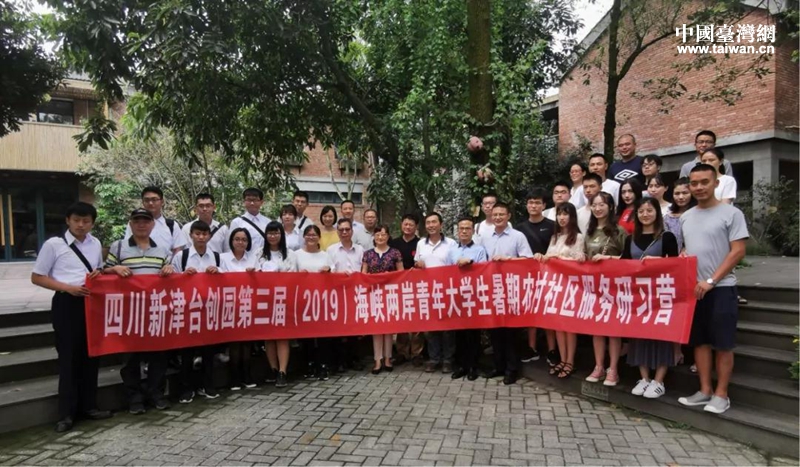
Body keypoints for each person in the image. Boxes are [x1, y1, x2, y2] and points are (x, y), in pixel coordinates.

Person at [31, 202, 112, 432]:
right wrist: (68, 288)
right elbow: (37, 277)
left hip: (91, 303)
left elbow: (97, 269)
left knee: (91, 356)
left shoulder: (95, 243)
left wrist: (98, 274)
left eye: (86, 221)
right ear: (68, 220)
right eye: (76, 220)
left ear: (92, 223)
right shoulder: (54, 245)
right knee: (68, 359)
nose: (81, 225)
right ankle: (66, 414)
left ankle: (90, 406)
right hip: (67, 303)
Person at [677, 164, 748, 414]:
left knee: (723, 343)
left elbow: (738, 251)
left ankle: (721, 394)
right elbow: (688, 248)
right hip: (695, 290)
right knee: (700, 342)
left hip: (721, 288)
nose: (699, 187)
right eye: (694, 183)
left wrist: (711, 280)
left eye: (704, 182)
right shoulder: (686, 217)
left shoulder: (732, 214)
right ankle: (705, 390)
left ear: (716, 183)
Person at [104, 208, 173, 416]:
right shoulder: (118, 247)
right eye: (137, 221)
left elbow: (170, 275)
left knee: (158, 355)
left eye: (145, 221)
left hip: (155, 312)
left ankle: (156, 394)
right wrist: (114, 269)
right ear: (131, 224)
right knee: (131, 358)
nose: (141, 225)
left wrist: (170, 270)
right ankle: (134, 398)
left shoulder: (162, 250)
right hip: (129, 313)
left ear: (152, 225)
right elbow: (103, 272)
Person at [622, 198, 679, 399]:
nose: (645, 214)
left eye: (649, 210)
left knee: (661, 336)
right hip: (638, 296)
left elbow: (676, 265)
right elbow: (623, 265)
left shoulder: (667, 237)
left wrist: (657, 261)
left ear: (657, 213)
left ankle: (659, 381)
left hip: (660, 295)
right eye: (641, 211)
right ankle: (644, 378)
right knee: (639, 336)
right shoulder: (630, 239)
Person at [482, 202, 534, 385]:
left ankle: (512, 369)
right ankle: (499, 366)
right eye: (495, 214)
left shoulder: (518, 236)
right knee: (495, 331)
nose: (497, 217)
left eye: (501, 214)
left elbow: (528, 260)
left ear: (508, 216)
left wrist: (509, 260)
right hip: (492, 289)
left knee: (511, 331)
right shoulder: (485, 237)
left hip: (511, 289)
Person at [171, 220, 222, 403]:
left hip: (209, 310)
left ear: (209, 236)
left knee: (208, 351)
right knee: (187, 352)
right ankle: (186, 388)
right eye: (197, 234)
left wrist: (217, 271)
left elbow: (226, 279)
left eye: (204, 234)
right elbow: (171, 280)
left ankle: (207, 385)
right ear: (191, 235)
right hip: (187, 310)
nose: (201, 237)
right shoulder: (181, 256)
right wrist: (183, 276)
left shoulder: (216, 257)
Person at [533, 202, 585, 379]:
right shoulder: (555, 237)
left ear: (572, 216)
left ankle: (570, 361)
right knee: (558, 326)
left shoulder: (578, 237)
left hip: (570, 287)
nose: (562, 218)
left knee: (569, 327)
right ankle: (562, 359)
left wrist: (559, 258)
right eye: (559, 214)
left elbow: (579, 262)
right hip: (554, 286)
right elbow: (547, 259)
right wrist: (541, 257)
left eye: (565, 214)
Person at [583, 192, 628, 387]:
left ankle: (613, 369)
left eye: (602, 204)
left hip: (614, 287)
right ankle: (599, 366)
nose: (598, 208)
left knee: (613, 329)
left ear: (610, 207)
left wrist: (609, 259)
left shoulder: (619, 231)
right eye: (594, 205)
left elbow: (629, 259)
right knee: (597, 329)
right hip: (593, 288)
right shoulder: (589, 231)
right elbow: (586, 255)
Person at [516, 189, 557, 365]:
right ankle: (531, 348)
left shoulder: (553, 226)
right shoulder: (519, 228)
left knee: (549, 312)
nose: (533, 206)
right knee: (530, 312)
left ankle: (552, 350)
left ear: (544, 205)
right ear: (526, 205)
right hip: (527, 277)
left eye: (537, 203)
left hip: (550, 276)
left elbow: (557, 248)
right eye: (531, 202)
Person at [415, 212, 457, 373]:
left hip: (446, 290)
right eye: (428, 223)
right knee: (431, 326)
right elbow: (417, 264)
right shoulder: (421, 244)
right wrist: (418, 265)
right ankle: (434, 358)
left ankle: (448, 359)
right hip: (428, 291)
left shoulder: (451, 243)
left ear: (441, 224)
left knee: (447, 327)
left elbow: (455, 265)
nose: (431, 225)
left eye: (434, 222)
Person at [447, 217, 488, 381]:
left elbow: (483, 270)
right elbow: (446, 272)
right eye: (461, 228)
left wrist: (470, 264)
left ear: (472, 231)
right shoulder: (452, 251)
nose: (464, 231)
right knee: (459, 333)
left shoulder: (479, 250)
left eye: (467, 228)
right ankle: (461, 366)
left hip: (473, 296)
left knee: (473, 334)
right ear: (457, 231)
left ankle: (473, 366)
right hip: (456, 296)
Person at [258, 221, 298, 388]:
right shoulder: (259, 254)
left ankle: (283, 371)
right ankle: (273, 369)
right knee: (269, 336)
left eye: (276, 233)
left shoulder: (290, 254)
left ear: (281, 235)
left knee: (282, 336)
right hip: (265, 300)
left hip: (283, 299)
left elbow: (293, 275)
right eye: (270, 233)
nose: (273, 236)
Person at [361, 225, 404, 374]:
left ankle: (388, 358)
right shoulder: (367, 254)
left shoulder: (395, 253)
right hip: (374, 294)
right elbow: (363, 274)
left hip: (390, 294)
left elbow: (401, 273)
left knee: (389, 328)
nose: (380, 237)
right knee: (376, 328)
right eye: (378, 234)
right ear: (374, 237)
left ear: (388, 236)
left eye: (383, 234)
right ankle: (377, 360)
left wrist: (389, 276)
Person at [220, 228, 258, 391]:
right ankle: (234, 378)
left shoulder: (254, 258)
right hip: (229, 306)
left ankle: (247, 376)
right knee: (234, 343)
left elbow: (261, 279)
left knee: (247, 343)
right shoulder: (222, 258)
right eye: (237, 239)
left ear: (248, 242)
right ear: (231, 241)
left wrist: (254, 274)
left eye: (244, 239)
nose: (240, 242)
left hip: (248, 305)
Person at [295, 225, 335, 381]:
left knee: (323, 335)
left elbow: (333, 271)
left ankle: (323, 365)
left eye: (314, 235)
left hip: (322, 302)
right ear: (304, 237)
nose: (311, 237)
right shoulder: (296, 255)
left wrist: (328, 271)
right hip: (303, 302)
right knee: (307, 336)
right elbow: (290, 275)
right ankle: (309, 364)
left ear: (319, 237)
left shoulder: (325, 255)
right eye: (308, 235)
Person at [327, 218, 366, 371]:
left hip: (356, 293)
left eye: (347, 229)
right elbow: (329, 272)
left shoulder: (361, 250)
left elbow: (364, 270)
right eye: (341, 230)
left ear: (352, 231)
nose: (344, 232)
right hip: (338, 294)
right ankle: (340, 361)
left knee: (354, 328)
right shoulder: (331, 250)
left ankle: (354, 359)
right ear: (337, 232)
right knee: (338, 328)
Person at [389, 214, 425, 367]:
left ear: (416, 227)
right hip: (398, 287)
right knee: (401, 319)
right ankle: (402, 352)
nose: (408, 227)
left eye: (411, 225)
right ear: (401, 225)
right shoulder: (394, 243)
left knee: (417, 320)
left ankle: (417, 352)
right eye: (405, 224)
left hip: (417, 286)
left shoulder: (420, 243)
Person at [124, 186, 187, 254]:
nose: (150, 203)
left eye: (154, 199)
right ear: (143, 202)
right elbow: (127, 247)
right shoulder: (135, 224)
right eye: (147, 200)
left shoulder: (172, 225)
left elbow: (178, 250)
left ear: (162, 202)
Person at [229, 187, 271, 254]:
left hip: (264, 258)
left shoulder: (268, 222)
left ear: (261, 202)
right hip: (245, 259)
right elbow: (231, 245)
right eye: (248, 200)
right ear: (244, 202)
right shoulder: (237, 222)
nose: (252, 203)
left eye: (255, 200)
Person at [664, 177, 696, 252]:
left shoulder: (698, 214)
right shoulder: (667, 218)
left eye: (685, 193)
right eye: (677, 194)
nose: (680, 197)